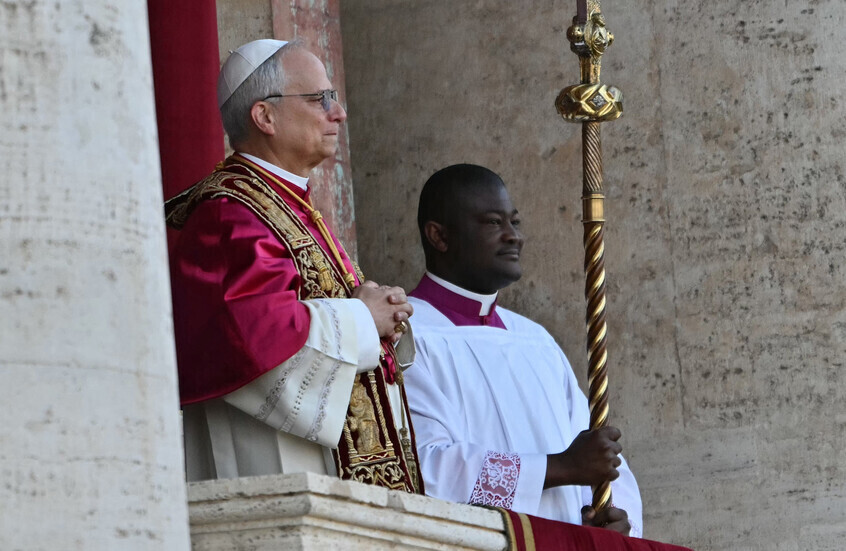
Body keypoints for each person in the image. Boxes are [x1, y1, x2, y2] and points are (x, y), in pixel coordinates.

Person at [165, 39, 422, 493]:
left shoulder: (288, 204)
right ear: (264, 116)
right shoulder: (231, 213)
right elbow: (248, 333)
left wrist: (382, 316)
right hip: (273, 469)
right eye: (319, 99)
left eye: (334, 97)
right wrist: (363, 318)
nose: (338, 113)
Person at [403, 164, 643, 534]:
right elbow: (424, 470)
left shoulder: (535, 341)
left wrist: (612, 516)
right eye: (492, 223)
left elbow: (599, 457)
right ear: (439, 236)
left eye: (514, 222)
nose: (513, 236)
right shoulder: (405, 334)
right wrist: (559, 467)